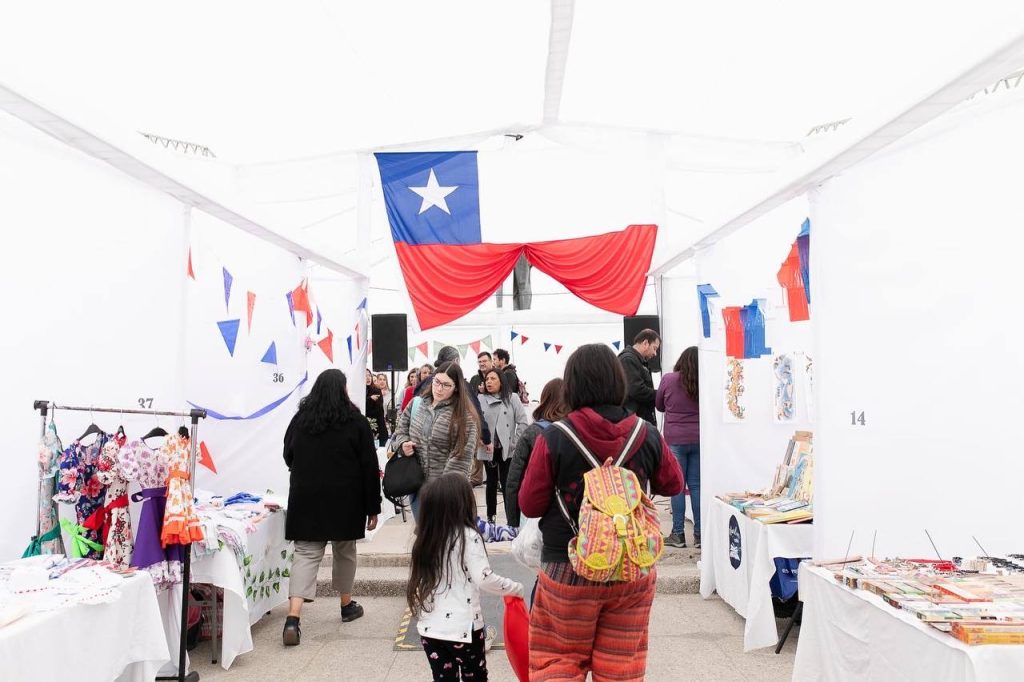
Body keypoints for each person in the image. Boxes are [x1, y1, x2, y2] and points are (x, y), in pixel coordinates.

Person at [519, 344, 683, 680]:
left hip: (567, 567)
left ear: (572, 385)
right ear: (618, 381)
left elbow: (529, 504)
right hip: (630, 567)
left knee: (558, 662)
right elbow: (673, 484)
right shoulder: (645, 433)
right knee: (621, 667)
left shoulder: (555, 438)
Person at [281, 369, 381, 646]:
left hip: (306, 499)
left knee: (305, 555)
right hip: (345, 501)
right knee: (345, 551)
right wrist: (373, 506)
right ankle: (346, 605)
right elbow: (369, 467)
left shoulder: (301, 420)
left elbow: (288, 454)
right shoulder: (355, 421)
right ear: (342, 390)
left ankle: (293, 617)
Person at [407, 473, 524, 681]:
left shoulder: (425, 537)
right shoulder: (468, 536)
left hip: (430, 629)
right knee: (475, 676)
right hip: (464, 629)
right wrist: (514, 587)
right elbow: (484, 578)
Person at [392, 361, 481, 518]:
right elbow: (399, 432)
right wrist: (402, 444)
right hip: (416, 486)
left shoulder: (465, 417)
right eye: (437, 382)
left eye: (446, 385)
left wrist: (441, 489)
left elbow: (461, 459)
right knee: (424, 536)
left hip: (446, 493)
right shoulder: (417, 404)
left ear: (456, 387)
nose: (439, 388)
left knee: (444, 536)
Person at [504, 377, 568, 528]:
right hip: (569, 513)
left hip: (535, 512)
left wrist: (513, 521)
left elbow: (514, 479)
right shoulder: (576, 431)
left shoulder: (532, 432)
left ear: (544, 399)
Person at [656, 346, 701, 549]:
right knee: (697, 486)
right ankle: (700, 535)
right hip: (700, 438)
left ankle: (678, 534)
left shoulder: (669, 379)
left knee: (678, 487)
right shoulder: (703, 380)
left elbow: (659, 405)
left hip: (675, 440)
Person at [478, 368, 529, 524]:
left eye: (493, 378)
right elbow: (475, 422)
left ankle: (511, 519)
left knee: (509, 484)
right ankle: (491, 516)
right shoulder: (480, 398)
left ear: (501, 381)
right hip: (488, 448)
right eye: (487, 379)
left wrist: (514, 444)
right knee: (491, 483)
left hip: (507, 449)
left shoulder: (512, 398)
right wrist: (480, 438)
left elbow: (523, 422)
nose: (489, 382)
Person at [618, 329, 660, 425]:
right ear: (645, 343)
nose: (655, 353)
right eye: (654, 348)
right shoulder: (628, 360)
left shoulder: (636, 361)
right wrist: (660, 394)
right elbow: (636, 390)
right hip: (635, 421)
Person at [365, 369, 389, 446]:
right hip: (364, 429)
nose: (368, 378)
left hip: (378, 429)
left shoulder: (376, 391)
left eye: (369, 375)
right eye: (365, 375)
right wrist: (369, 399)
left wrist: (368, 401)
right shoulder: (358, 391)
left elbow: (376, 411)